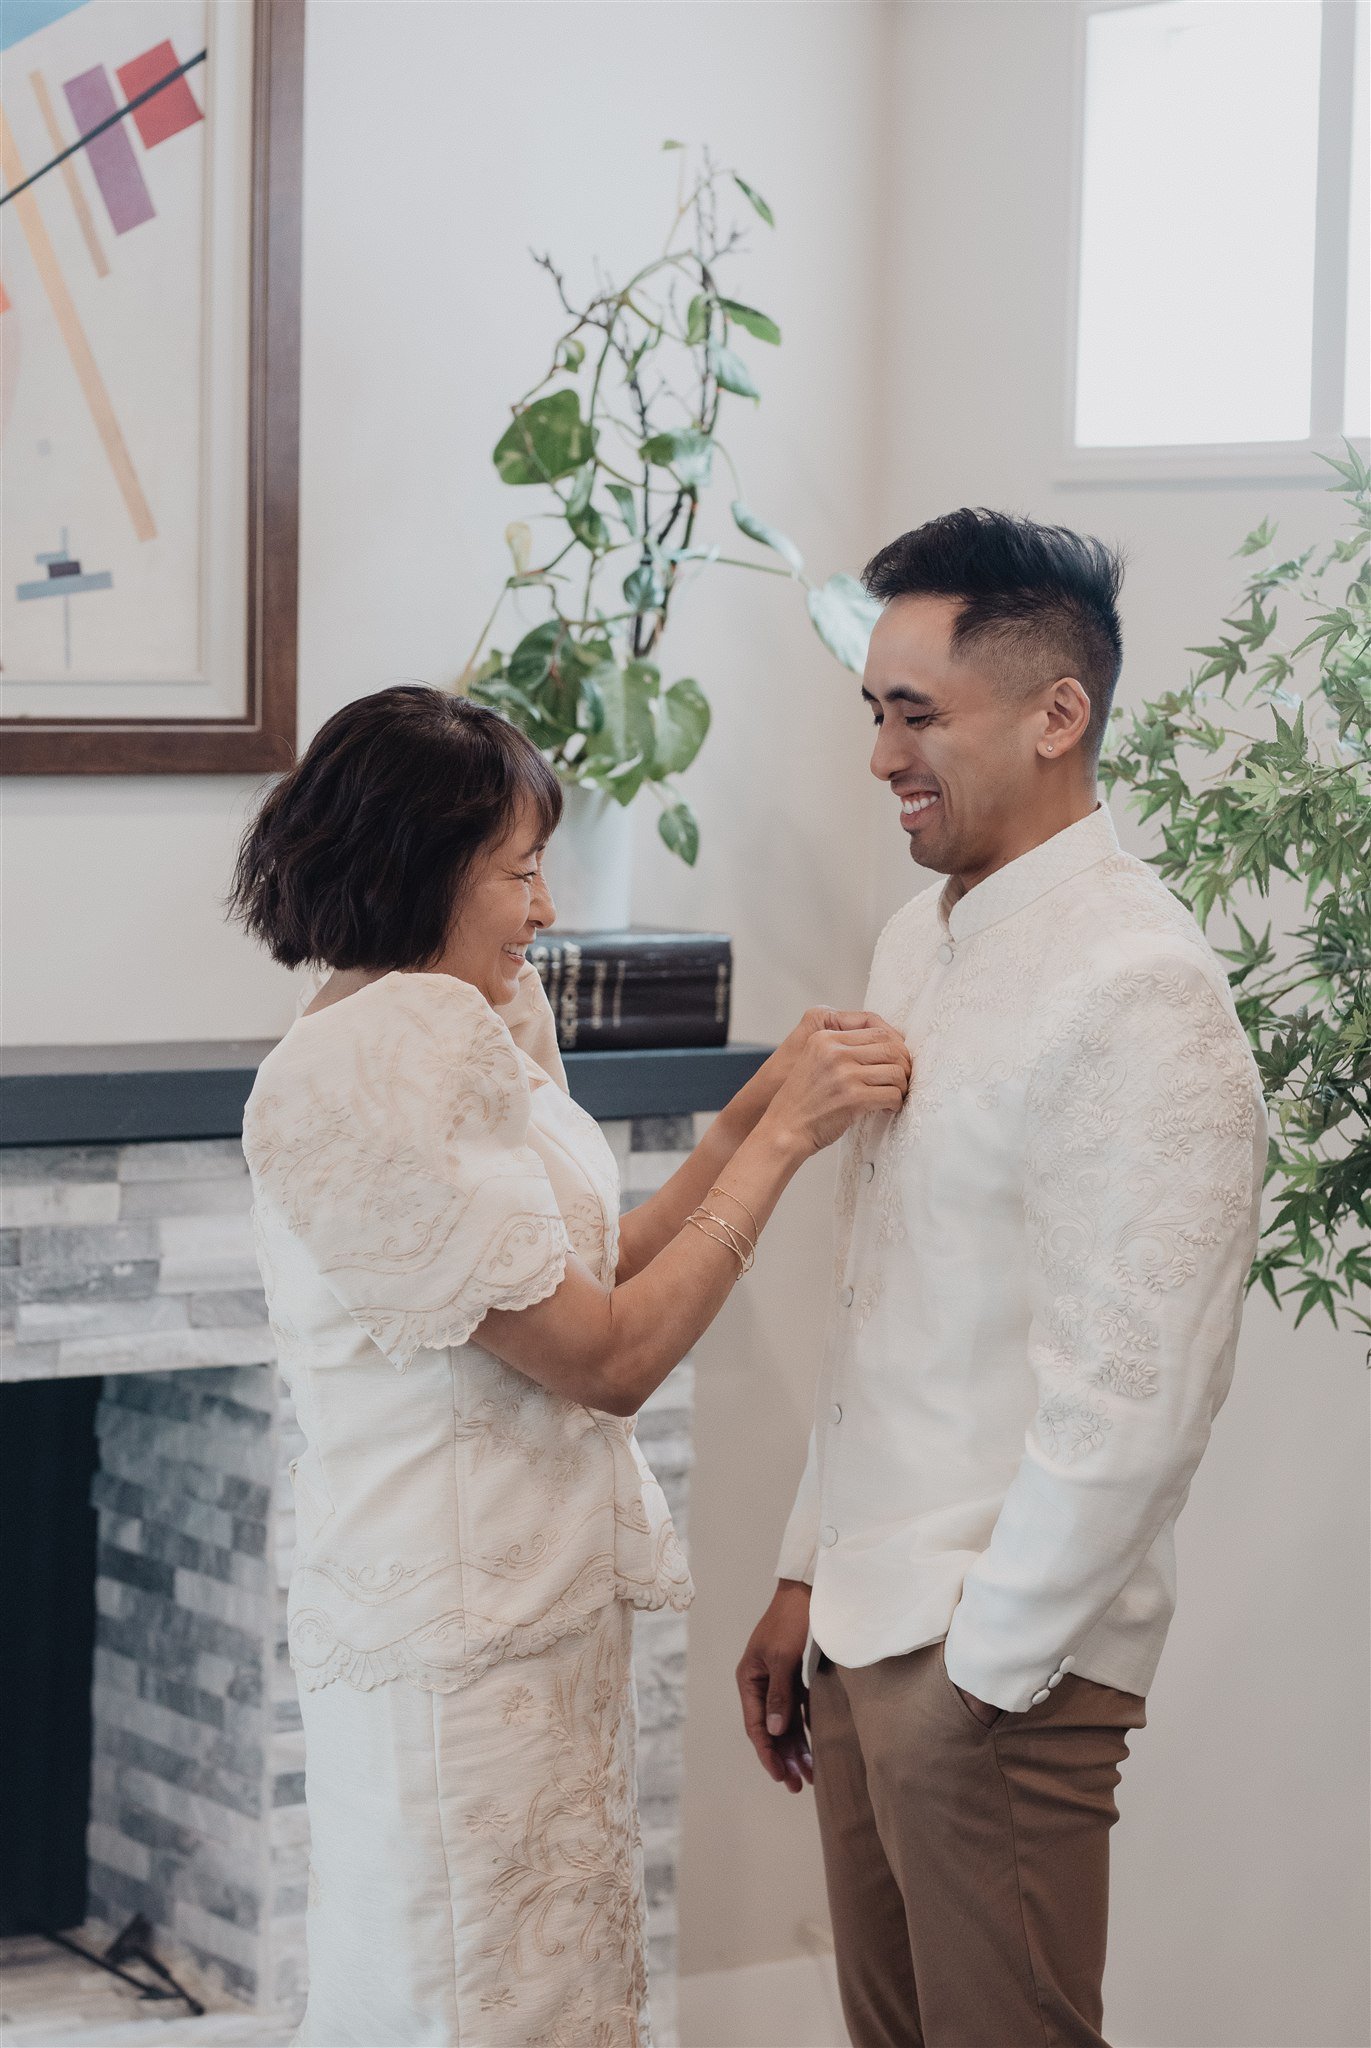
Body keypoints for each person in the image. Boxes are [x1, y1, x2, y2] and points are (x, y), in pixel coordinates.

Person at [231, 685, 910, 2048]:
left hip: (533, 1621)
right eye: (521, 874)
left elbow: (578, 1272)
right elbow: (605, 1360)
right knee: (471, 2000)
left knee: (554, 1993)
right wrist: (778, 1157)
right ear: (414, 868)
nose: (544, 912)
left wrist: (755, 1112)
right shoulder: (360, 1072)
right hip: (452, 1640)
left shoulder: (462, 1019)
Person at [738, 510, 1267, 2048]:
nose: (883, 756)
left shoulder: (1144, 990)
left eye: (917, 715)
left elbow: (1140, 1391)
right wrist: (803, 1570)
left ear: (1056, 714)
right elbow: (879, 1293)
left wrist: (982, 1676)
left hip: (996, 1666)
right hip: (863, 1625)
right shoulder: (919, 939)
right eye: (874, 712)